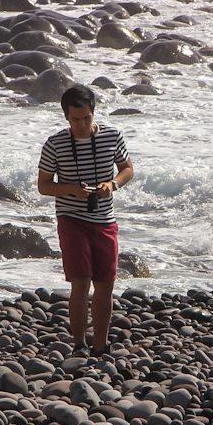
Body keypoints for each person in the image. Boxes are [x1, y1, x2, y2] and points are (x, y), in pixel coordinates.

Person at [37, 85, 135, 354]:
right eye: (75, 119)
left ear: (93, 113)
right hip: (71, 218)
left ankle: (100, 346)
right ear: (66, 117)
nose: (81, 125)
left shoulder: (112, 136)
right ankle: (79, 344)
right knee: (80, 282)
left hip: (105, 218)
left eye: (87, 118)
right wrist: (72, 189)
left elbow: (128, 169)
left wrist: (112, 185)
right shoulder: (55, 144)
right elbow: (43, 186)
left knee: (105, 284)